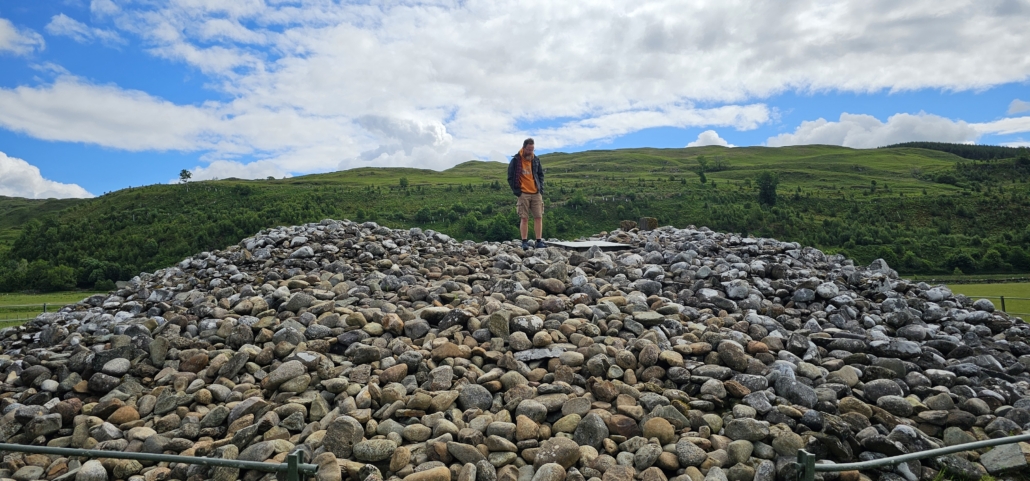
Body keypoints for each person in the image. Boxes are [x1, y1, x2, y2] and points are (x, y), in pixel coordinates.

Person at [507, 138, 545, 249]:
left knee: (538, 217)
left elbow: (540, 175)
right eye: (529, 149)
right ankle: (524, 241)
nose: (531, 152)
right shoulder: (516, 160)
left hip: (536, 192)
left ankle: (539, 241)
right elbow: (510, 177)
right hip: (523, 193)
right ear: (524, 148)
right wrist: (517, 192)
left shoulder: (536, 160)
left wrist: (540, 188)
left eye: (532, 149)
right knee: (524, 218)